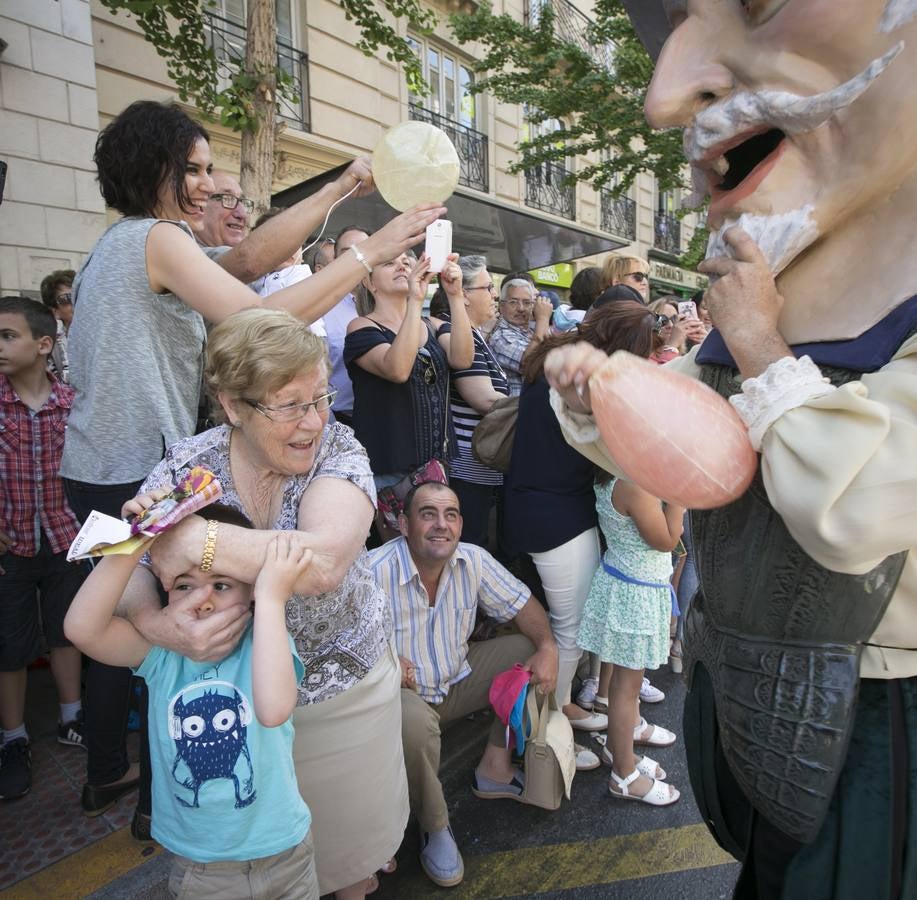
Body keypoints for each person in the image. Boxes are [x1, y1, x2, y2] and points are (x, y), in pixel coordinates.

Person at [553, 1, 917, 895]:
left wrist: (760, 346)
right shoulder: (776, 285)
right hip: (750, 686)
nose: (664, 95)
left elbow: (853, 509)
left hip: (879, 714)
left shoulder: (767, 313)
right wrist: (601, 397)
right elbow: (704, 447)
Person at [59, 99, 442, 827]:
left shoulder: (133, 242)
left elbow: (246, 262)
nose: (207, 185)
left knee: (162, 630)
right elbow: (256, 318)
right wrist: (372, 247)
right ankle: (159, 798)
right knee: (162, 630)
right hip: (130, 468)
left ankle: (138, 784)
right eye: (194, 170)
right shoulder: (158, 236)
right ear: (155, 170)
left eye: (211, 171)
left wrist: (334, 191)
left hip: (106, 461)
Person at [105, 307, 405, 899]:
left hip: (337, 694)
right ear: (233, 405)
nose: (313, 422)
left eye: (320, 398)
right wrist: (155, 623)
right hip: (232, 714)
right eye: (288, 405)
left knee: (349, 861)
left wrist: (195, 540)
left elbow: (321, 564)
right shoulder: (190, 465)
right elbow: (128, 563)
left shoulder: (340, 449)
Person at [64, 507, 320, 899]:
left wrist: (271, 599)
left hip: (286, 853)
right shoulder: (161, 654)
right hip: (203, 870)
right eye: (184, 585)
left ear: (251, 589)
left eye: (221, 585)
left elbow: (273, 710)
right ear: (164, 588)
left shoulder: (263, 639)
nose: (202, 601)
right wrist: (137, 541)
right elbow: (82, 629)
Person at [366, 481, 560, 888]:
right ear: (403, 524)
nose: (441, 525)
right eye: (428, 514)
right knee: (413, 720)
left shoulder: (472, 560)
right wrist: (382, 663)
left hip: (455, 681)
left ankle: (494, 767)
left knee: (526, 650)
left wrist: (547, 647)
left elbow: (525, 608)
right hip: (404, 699)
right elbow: (341, 647)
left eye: (450, 514)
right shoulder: (374, 571)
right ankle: (434, 825)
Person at [0, 297, 88, 801]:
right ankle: (14, 737)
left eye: (9, 336)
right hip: (11, 544)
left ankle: (71, 716)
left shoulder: (71, 403)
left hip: (63, 536)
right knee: (10, 644)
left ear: (44, 344)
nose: (1, 346)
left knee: (65, 629)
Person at [344, 251, 473, 536]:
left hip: (437, 462)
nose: (401, 265)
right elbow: (398, 369)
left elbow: (463, 359)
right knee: (397, 552)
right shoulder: (361, 327)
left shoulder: (434, 325)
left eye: (407, 261)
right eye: (389, 262)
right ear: (369, 282)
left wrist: (454, 295)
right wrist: (415, 300)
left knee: (435, 545)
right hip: (390, 464)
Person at [442, 255, 508, 548]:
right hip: (468, 469)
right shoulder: (458, 333)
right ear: (464, 295)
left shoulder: (474, 335)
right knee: (467, 550)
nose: (495, 295)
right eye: (489, 287)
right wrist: (533, 409)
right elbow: (483, 398)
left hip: (481, 468)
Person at [323, 226, 370, 427]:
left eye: (363, 250)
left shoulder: (390, 302)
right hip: (339, 419)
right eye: (348, 252)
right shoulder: (321, 308)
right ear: (335, 260)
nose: (357, 257)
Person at [488, 278, 553, 395]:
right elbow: (531, 363)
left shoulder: (533, 330)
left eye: (527, 303)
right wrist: (543, 319)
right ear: (501, 306)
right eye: (513, 302)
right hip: (518, 410)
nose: (521, 308)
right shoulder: (499, 336)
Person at [197, 170, 253, 250]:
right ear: (198, 206)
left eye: (242, 202)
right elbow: (244, 257)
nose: (242, 214)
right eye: (227, 199)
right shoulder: (182, 252)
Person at [39, 268, 74, 383]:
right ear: (55, 311)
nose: (75, 302)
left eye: (78, 295)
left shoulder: (104, 332)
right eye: (66, 299)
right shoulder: (50, 344)